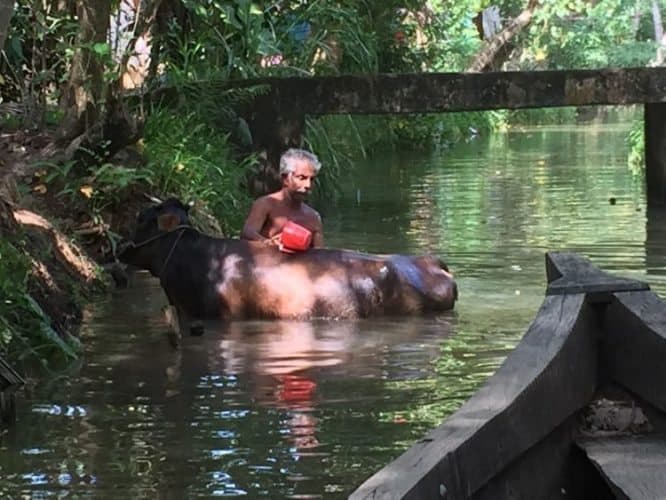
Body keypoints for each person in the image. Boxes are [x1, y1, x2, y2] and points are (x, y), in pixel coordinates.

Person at [241, 148, 324, 248]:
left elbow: (320, 256)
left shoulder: (313, 218)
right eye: (301, 178)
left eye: (312, 179)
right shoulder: (266, 205)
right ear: (285, 178)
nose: (308, 185)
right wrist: (267, 243)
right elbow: (247, 233)